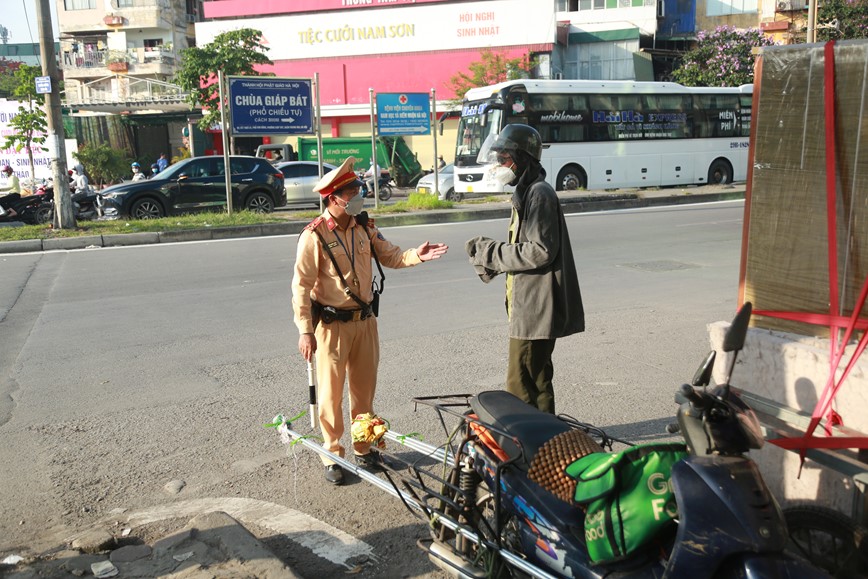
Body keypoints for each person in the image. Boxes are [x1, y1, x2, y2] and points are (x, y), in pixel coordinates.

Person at [292, 156, 448, 485]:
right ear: (334, 197)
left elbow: (390, 255)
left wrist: (416, 255)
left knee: (364, 394)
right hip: (332, 328)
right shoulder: (314, 236)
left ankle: (364, 447)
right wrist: (306, 331)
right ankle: (332, 454)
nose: (359, 196)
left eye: (358, 189)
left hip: (365, 323)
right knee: (331, 396)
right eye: (353, 191)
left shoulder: (364, 225)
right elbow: (301, 288)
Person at [465, 124, 584, 414]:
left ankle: (529, 446)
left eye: (504, 159)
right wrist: (491, 261)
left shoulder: (539, 194)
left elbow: (540, 250)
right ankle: (546, 442)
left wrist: (490, 252)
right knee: (537, 380)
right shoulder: (527, 191)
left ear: (523, 159)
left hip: (535, 309)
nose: (499, 166)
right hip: (529, 306)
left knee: (522, 386)